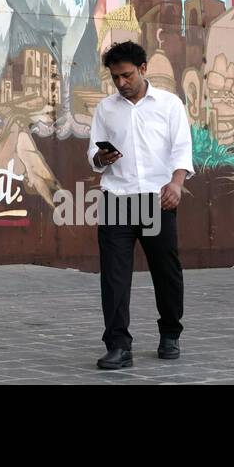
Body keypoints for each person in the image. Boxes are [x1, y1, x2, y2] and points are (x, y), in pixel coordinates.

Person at [87, 40, 193, 369]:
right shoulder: (106, 109)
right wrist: (102, 157)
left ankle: (170, 333)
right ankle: (118, 345)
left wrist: (176, 183)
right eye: (115, 77)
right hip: (117, 199)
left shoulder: (170, 104)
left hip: (157, 199)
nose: (121, 83)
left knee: (166, 272)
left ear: (143, 69)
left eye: (127, 76)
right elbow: (93, 156)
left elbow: (181, 149)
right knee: (114, 277)